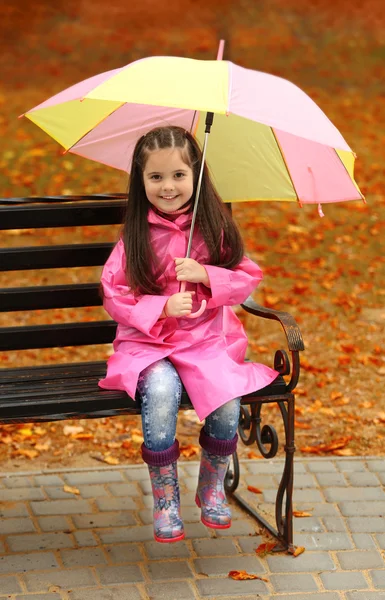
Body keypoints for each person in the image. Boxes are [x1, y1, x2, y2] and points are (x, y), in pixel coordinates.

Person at [99, 125, 278, 543]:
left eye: (179, 175)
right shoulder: (135, 235)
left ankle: (212, 485)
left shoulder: (212, 228)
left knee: (226, 398)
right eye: (156, 177)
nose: (168, 187)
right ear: (140, 180)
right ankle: (165, 499)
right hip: (148, 345)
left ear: (196, 175)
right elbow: (114, 292)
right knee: (159, 391)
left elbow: (246, 277)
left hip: (204, 341)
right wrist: (161, 305)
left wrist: (206, 274)